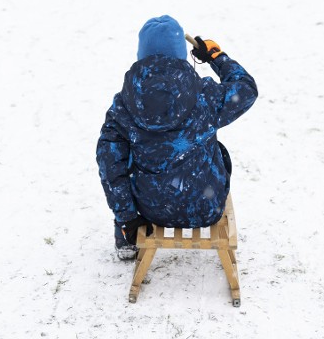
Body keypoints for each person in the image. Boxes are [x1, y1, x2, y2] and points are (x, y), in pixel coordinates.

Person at [96, 16, 258, 260]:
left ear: (142, 54)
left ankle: (125, 236)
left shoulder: (124, 104)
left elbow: (109, 164)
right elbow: (245, 89)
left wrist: (127, 218)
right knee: (215, 148)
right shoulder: (206, 94)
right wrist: (216, 57)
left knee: (122, 156)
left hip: (150, 210)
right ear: (180, 54)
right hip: (205, 206)